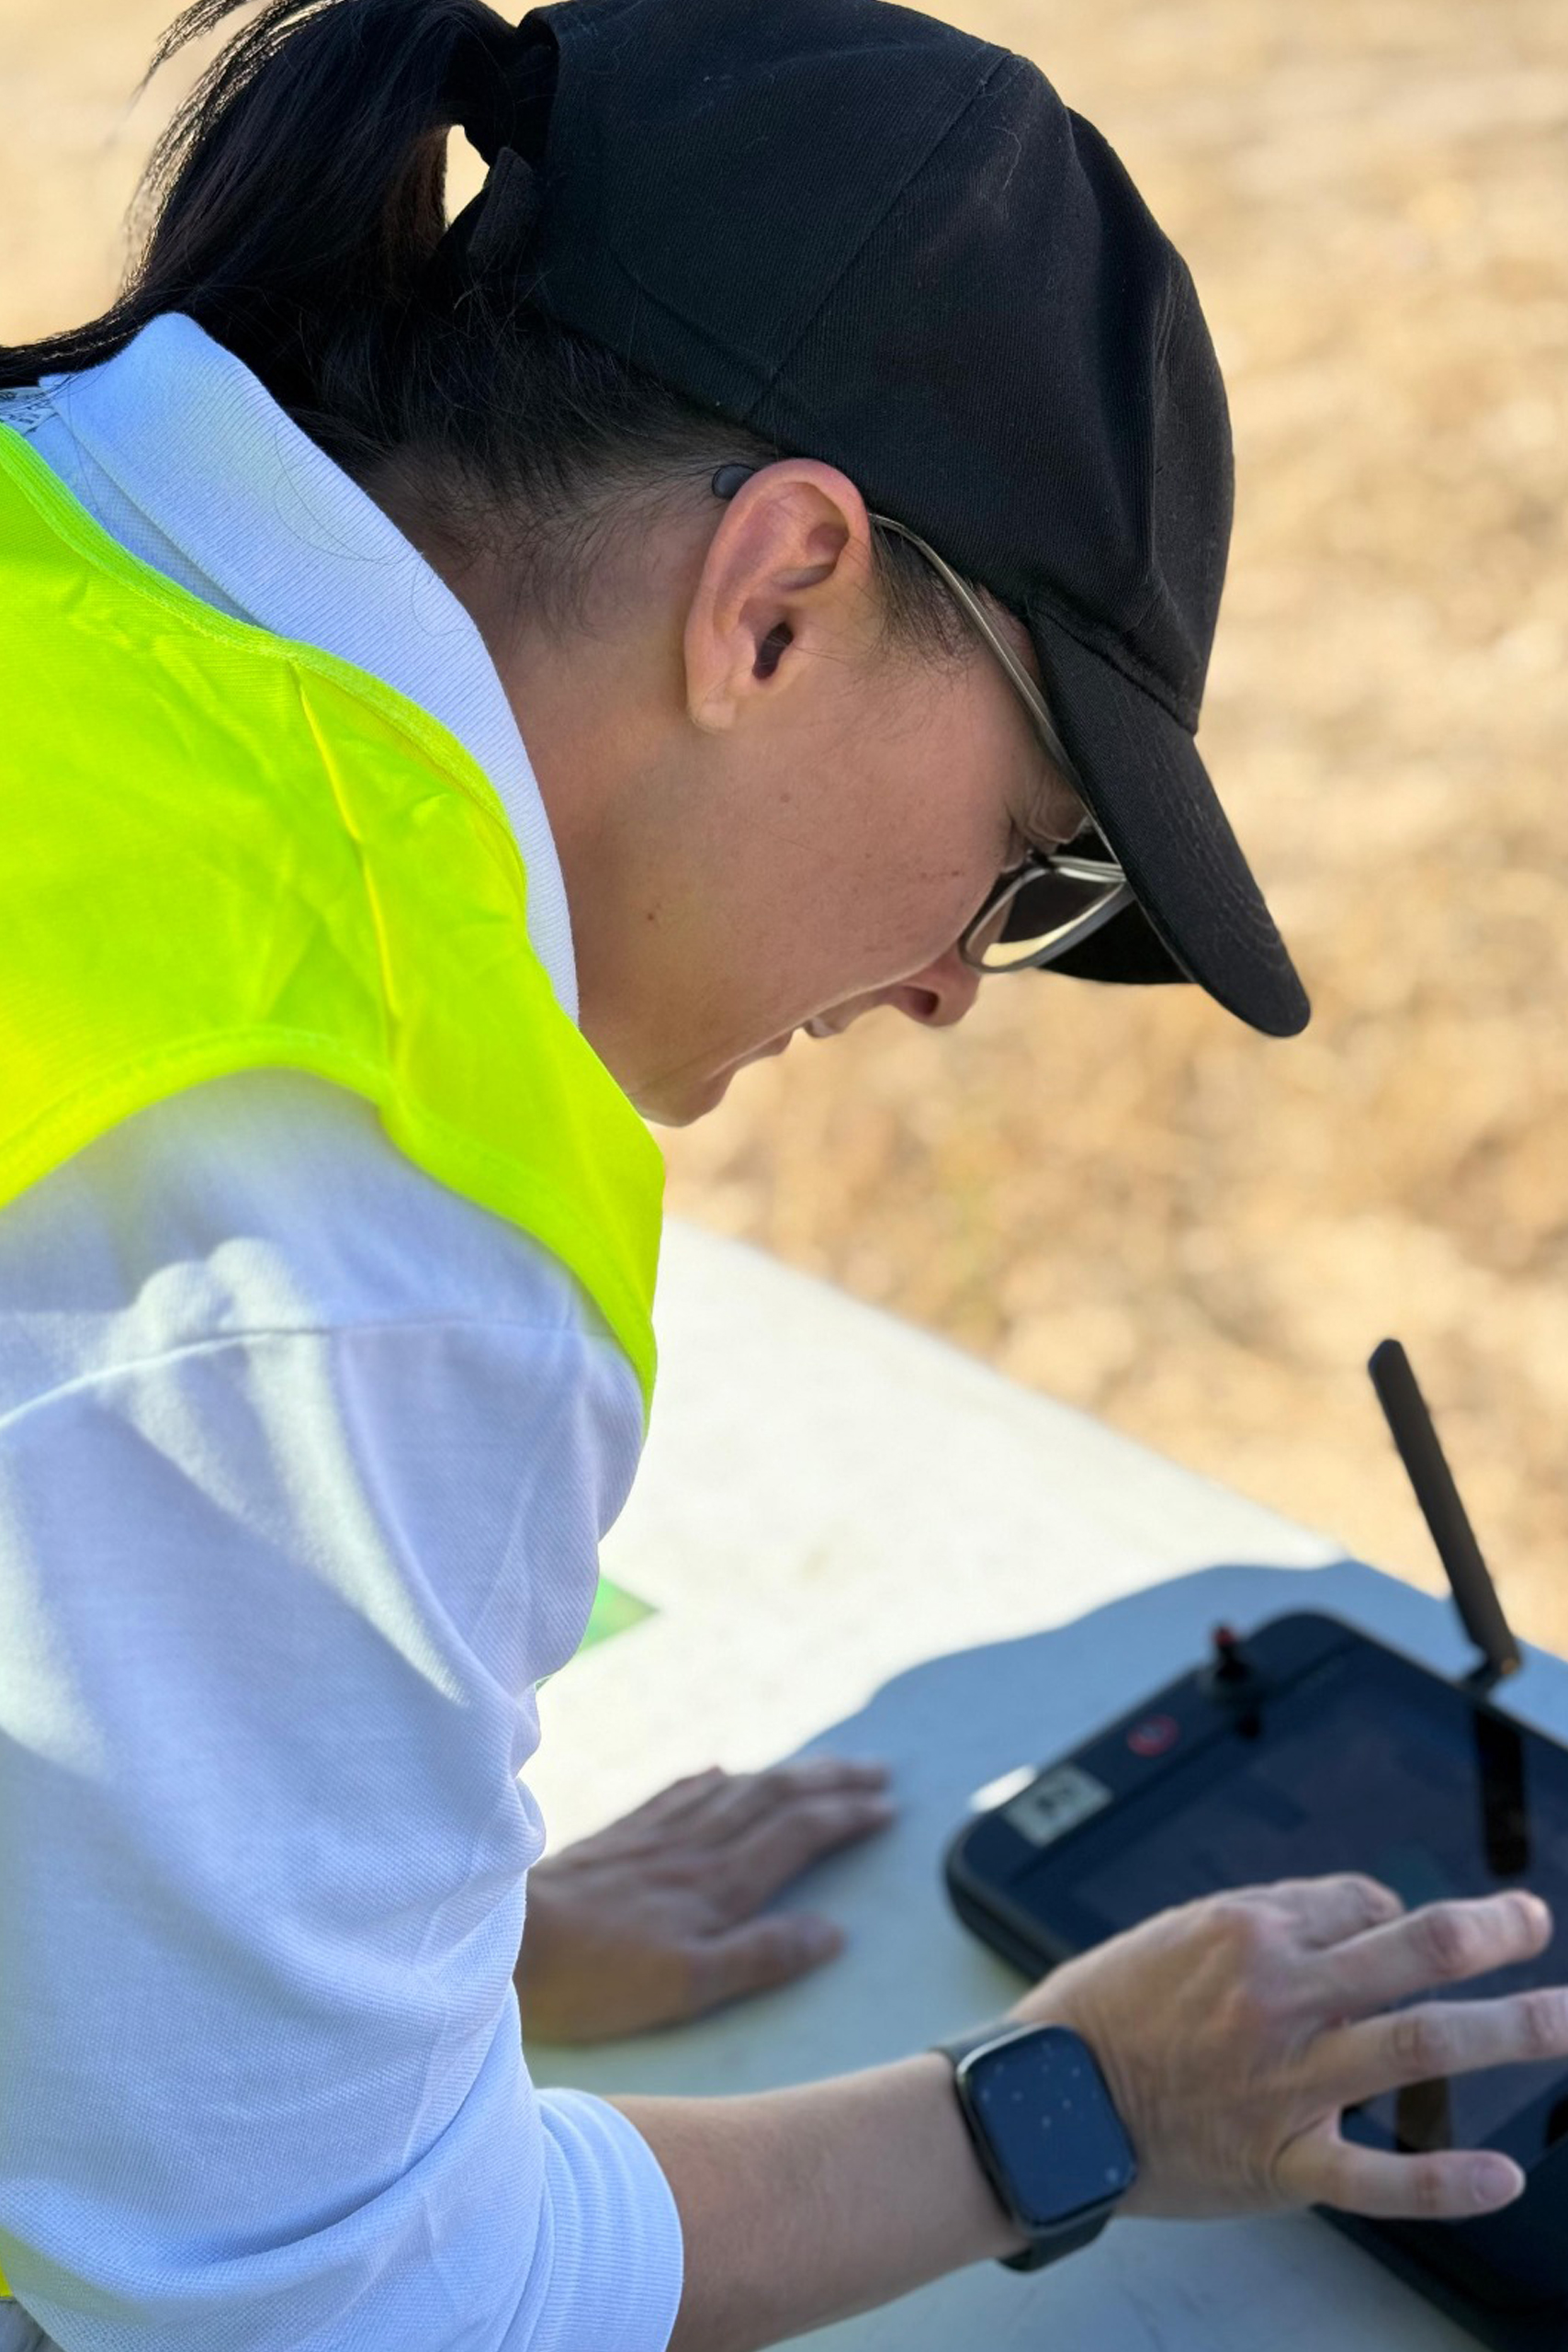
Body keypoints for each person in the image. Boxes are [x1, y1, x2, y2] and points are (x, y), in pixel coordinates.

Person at [1, 0, 1564, 2346]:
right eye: (1028, 864)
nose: (951, 984)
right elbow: (339, 2305)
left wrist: (380, 1931)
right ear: (776, 597)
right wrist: (1070, 2101)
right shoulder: (347, 1191)